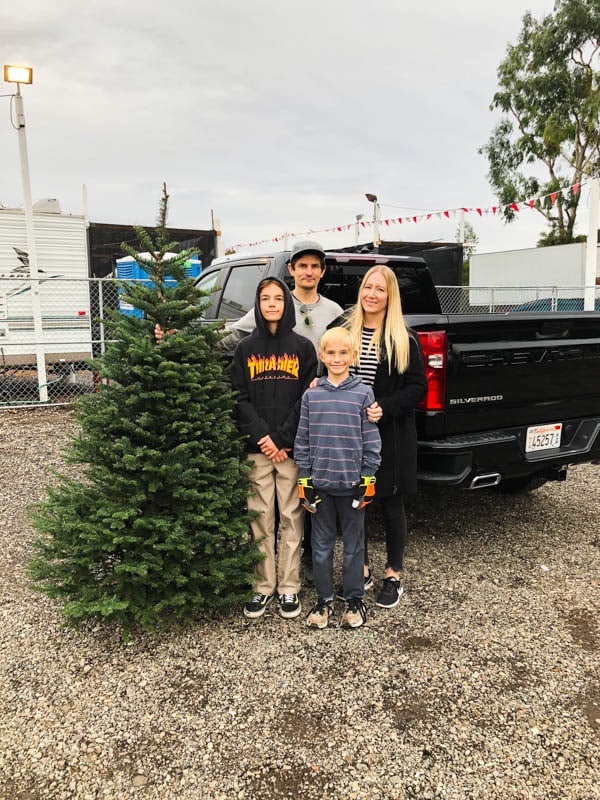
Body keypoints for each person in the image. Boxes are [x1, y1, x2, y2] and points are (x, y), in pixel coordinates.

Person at [220, 240, 343, 584]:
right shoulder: (251, 341)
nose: (307, 271)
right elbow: (230, 338)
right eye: (301, 265)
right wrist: (178, 336)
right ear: (291, 270)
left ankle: (298, 574)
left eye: (314, 266)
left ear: (321, 271)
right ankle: (264, 581)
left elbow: (344, 355)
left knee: (299, 509)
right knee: (261, 513)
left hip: (308, 426)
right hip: (264, 438)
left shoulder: (333, 314)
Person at [337, 265, 426, 609]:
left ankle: (393, 573)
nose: (372, 294)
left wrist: (385, 407)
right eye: (367, 287)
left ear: (391, 296)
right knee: (353, 503)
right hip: (348, 436)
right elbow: (326, 365)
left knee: (390, 504)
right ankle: (360, 568)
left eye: (380, 289)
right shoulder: (343, 330)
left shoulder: (404, 337)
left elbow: (418, 386)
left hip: (389, 434)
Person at [231, 276, 317, 620]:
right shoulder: (245, 349)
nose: (271, 304)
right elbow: (238, 397)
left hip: (290, 450)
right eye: (265, 298)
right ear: (257, 303)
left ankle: (289, 588)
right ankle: (262, 587)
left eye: (277, 299)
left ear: (287, 304)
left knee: (292, 520)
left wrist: (282, 439)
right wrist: (263, 437)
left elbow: (307, 398)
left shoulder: (304, 348)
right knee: (260, 521)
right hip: (257, 451)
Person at [294, 327, 381, 629]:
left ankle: (354, 599)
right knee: (321, 546)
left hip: (353, 485)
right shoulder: (311, 395)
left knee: (355, 546)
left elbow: (371, 440)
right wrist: (304, 481)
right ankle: (323, 599)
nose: (337, 358)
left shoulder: (364, 394)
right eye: (331, 353)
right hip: (320, 486)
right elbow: (302, 440)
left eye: (344, 352)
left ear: (353, 356)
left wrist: (368, 478)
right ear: (322, 356)